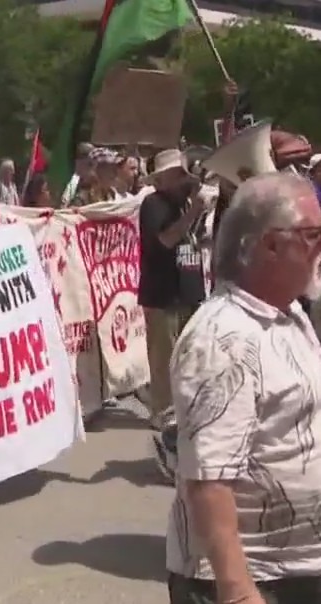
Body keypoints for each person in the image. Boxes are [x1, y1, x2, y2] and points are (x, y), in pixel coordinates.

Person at [167, 173, 321, 604]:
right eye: (312, 236)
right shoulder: (222, 339)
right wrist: (237, 591)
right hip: (256, 580)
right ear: (270, 246)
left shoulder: (288, 312)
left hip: (297, 570)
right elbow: (209, 480)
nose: (320, 248)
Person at [137, 149, 207, 431]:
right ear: (161, 180)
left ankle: (183, 410)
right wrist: (194, 212)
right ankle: (163, 415)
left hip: (186, 293)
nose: (184, 180)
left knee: (188, 360)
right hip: (163, 295)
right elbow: (165, 240)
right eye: (178, 175)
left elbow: (189, 240)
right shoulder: (153, 204)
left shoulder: (182, 204)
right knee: (165, 361)